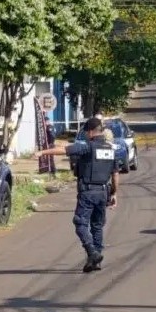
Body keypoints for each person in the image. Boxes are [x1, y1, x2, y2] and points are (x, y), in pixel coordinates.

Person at [35, 117, 119, 273]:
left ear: (90, 131)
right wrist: (114, 194)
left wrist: (42, 152)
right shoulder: (110, 150)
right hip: (103, 192)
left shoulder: (88, 147)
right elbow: (115, 175)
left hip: (88, 192)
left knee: (80, 223)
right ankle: (95, 260)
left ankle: (92, 252)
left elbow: (65, 149)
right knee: (97, 226)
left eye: (87, 132)